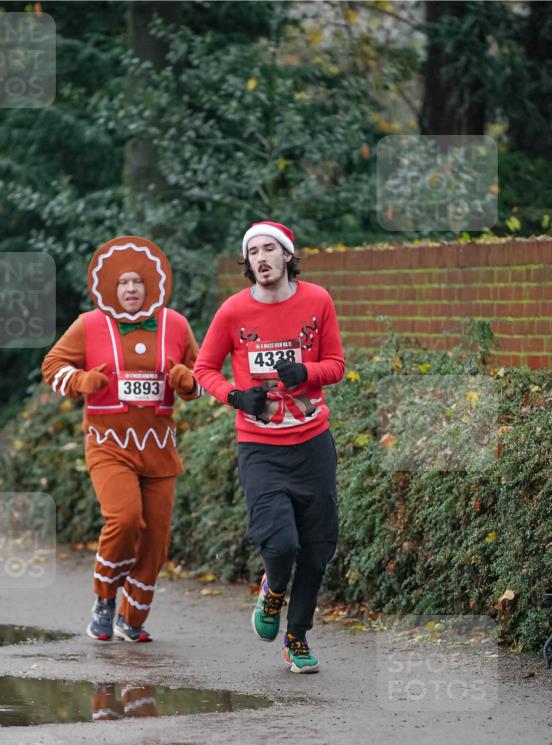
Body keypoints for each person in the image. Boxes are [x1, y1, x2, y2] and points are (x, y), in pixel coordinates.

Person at [193, 221, 345, 673]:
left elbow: (336, 364)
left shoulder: (318, 301)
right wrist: (236, 397)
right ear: (248, 263)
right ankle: (272, 590)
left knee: (318, 548)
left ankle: (296, 639)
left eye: (269, 250)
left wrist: (307, 373)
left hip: (313, 442)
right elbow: (204, 369)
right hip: (260, 445)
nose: (261, 258)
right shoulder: (233, 312)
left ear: (286, 256)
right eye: (253, 252)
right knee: (279, 544)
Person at [42, 235, 201, 642]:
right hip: (108, 443)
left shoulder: (176, 324)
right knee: (125, 517)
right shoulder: (89, 324)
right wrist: (81, 379)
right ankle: (104, 598)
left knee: (155, 540)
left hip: (160, 448)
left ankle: (132, 618)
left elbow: (202, 378)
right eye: (123, 283)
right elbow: (52, 365)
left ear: (151, 285)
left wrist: (186, 381)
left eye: (138, 282)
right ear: (111, 287)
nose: (131, 289)